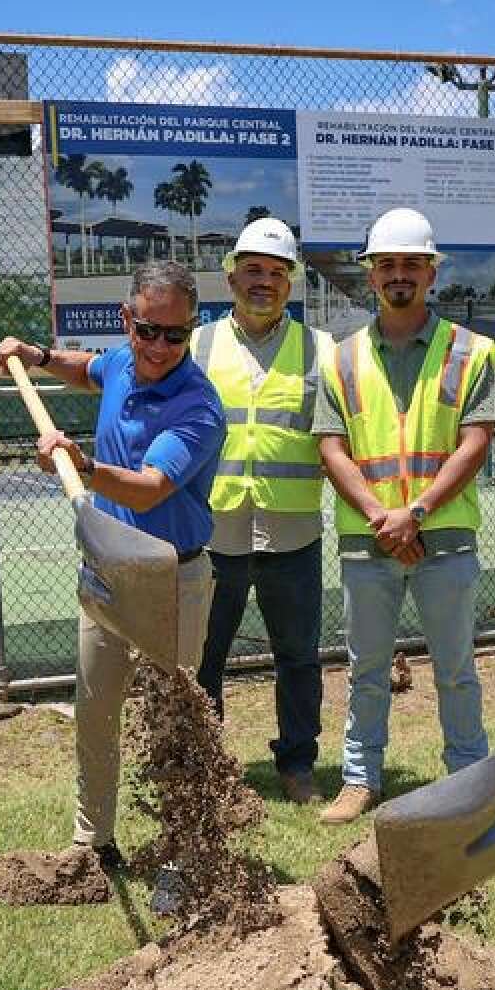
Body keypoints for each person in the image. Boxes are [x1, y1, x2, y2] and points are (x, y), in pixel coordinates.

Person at [0, 261, 225, 911]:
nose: (159, 347)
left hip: (170, 577)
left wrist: (83, 466)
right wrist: (39, 356)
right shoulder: (124, 361)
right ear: (128, 321)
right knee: (96, 711)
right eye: (148, 330)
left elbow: (151, 489)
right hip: (106, 570)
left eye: (175, 335)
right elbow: (89, 369)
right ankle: (92, 844)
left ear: (191, 330)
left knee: (173, 722)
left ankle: (180, 856)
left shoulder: (198, 406)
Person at [312, 207, 495, 826]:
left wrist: (415, 513)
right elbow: (331, 447)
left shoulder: (471, 351)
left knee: (456, 670)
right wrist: (382, 517)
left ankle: (468, 779)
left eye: (412, 264)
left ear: (431, 273)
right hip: (369, 541)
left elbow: (475, 442)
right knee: (366, 670)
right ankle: (360, 779)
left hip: (443, 537)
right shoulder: (340, 358)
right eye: (387, 264)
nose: (399, 274)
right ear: (370, 275)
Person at [193, 217, 330, 805]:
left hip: (291, 533)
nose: (264, 282)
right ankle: (205, 771)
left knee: (297, 657)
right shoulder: (198, 346)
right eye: (252, 269)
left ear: (290, 283)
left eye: (276, 272)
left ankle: (297, 765)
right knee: (203, 661)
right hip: (213, 532)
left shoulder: (320, 350)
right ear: (231, 277)